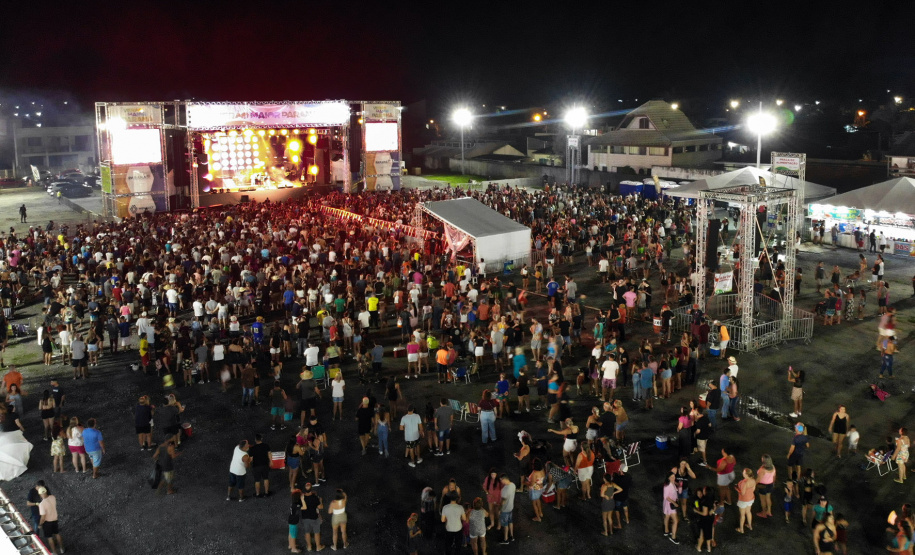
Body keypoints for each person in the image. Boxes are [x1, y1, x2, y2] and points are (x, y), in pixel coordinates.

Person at [38, 485, 64, 555]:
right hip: (55, 519)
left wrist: (40, 524)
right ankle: (62, 549)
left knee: (50, 538)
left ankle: (55, 552)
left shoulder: (42, 504)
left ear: (40, 494)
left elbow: (43, 517)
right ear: (46, 491)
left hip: (47, 522)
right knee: (57, 534)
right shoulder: (53, 497)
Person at [300, 482, 325, 552]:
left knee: (307, 532)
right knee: (316, 532)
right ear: (312, 489)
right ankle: (318, 547)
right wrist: (321, 501)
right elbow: (320, 507)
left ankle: (309, 546)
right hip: (314, 517)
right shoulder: (315, 498)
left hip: (305, 518)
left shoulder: (302, 497)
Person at [735, 467, 756, 534]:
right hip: (750, 499)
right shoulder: (753, 480)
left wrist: (737, 489)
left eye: (744, 472)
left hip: (743, 500)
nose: (742, 473)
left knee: (742, 515)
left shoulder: (745, 483)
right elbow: (753, 490)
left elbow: (742, 493)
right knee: (748, 512)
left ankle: (741, 529)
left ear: (746, 474)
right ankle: (750, 526)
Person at [662, 472, 681, 544]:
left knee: (667, 517)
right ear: (668, 478)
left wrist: (677, 485)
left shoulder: (672, 483)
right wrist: (674, 502)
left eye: (674, 476)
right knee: (675, 521)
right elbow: (666, 497)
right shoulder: (667, 486)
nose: (673, 478)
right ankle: (673, 537)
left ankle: (666, 531)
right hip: (669, 505)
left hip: (670, 504)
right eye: (672, 477)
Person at [497, 474, 516, 545]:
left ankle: (506, 539)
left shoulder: (504, 490)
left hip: (505, 510)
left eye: (501, 480)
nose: (500, 482)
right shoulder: (513, 485)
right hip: (511, 507)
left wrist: (500, 509)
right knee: (510, 521)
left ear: (503, 479)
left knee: (505, 524)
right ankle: (511, 536)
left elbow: (503, 502)